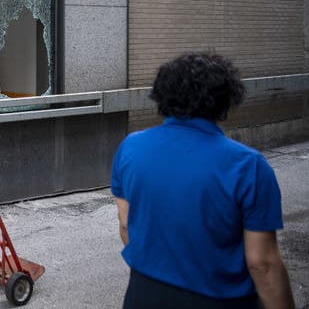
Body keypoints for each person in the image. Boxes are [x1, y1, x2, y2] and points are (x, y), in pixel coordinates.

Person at [111, 52, 295, 309]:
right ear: (225, 100)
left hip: (143, 293)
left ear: (162, 95)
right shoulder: (247, 165)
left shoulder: (131, 148)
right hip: (221, 299)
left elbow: (125, 225)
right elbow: (262, 263)